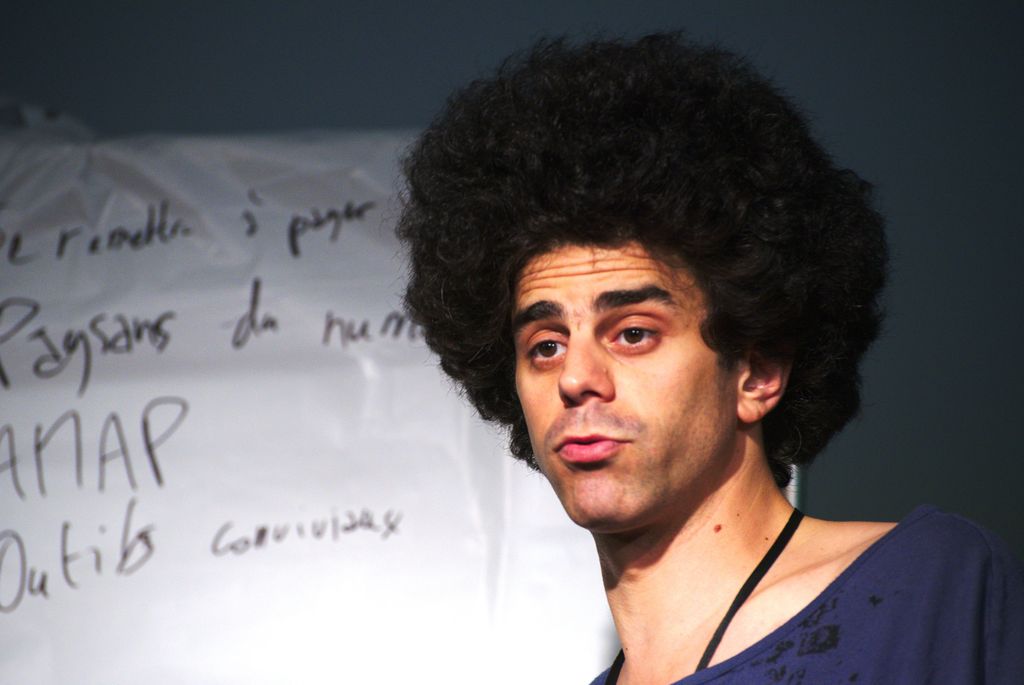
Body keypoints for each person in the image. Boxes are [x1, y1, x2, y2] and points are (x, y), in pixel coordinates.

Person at [396, 33, 1024, 683]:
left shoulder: (925, 593)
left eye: (632, 334)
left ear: (757, 372)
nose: (576, 378)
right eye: (546, 346)